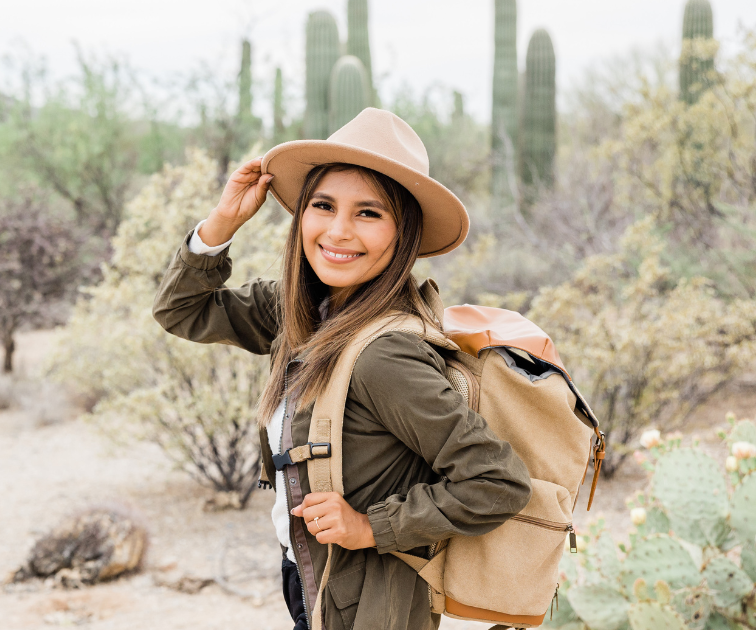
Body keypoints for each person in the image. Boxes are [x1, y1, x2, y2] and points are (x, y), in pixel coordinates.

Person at [152, 108, 532, 630]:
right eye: (323, 206)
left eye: (369, 214)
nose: (338, 231)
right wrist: (222, 223)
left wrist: (368, 527)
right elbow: (181, 310)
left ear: (405, 233)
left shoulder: (384, 354)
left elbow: (497, 481)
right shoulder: (302, 310)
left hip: (366, 599)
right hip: (311, 575)